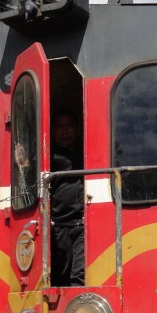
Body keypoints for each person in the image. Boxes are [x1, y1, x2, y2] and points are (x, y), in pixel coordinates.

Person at [50, 111, 85, 286]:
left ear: (77, 129)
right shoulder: (49, 155)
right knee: (60, 273)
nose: (65, 131)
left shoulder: (87, 151)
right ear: (53, 131)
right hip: (58, 224)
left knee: (79, 274)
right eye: (59, 127)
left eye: (69, 126)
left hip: (82, 222)